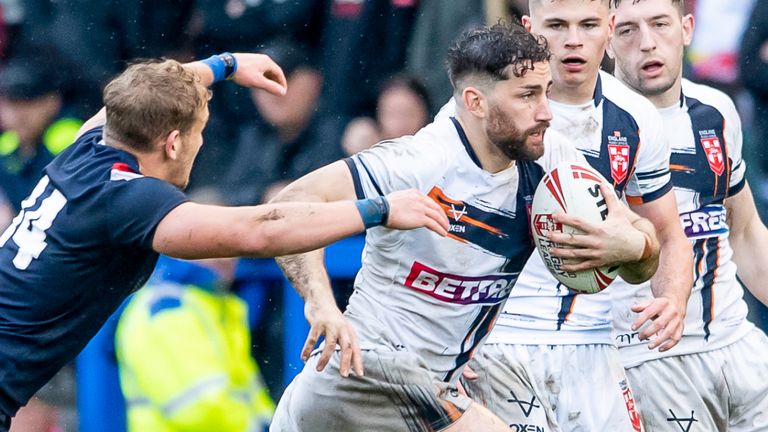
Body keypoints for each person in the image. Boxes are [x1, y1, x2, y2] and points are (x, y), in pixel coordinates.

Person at [0, 52, 449, 430]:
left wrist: (226, 64)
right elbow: (260, 230)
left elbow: (141, 92)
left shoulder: (89, 147)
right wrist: (380, 209)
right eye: (199, 132)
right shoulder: (130, 199)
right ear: (174, 142)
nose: (200, 144)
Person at [269, 21, 659, 432]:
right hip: (364, 372)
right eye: (527, 96)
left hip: (430, 387)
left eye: (546, 92)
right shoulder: (420, 161)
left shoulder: (550, 158)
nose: (546, 111)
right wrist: (320, 302)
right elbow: (290, 204)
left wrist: (632, 246)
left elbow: (643, 243)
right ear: (475, 102)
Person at [459, 1, 693, 431]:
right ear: (530, 30)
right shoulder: (486, 110)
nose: (572, 40)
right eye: (557, 25)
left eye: (587, 25)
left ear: (610, 27)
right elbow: (438, 228)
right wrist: (451, 339)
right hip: (501, 344)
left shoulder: (636, 117)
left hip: (593, 345)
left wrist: (673, 300)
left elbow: (667, 234)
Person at [609, 0, 768, 430]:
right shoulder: (593, 124)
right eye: (627, 30)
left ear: (687, 28)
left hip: (739, 344)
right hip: (650, 360)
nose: (646, 43)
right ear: (606, 38)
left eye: (660, 24)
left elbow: (746, 231)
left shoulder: (716, 110)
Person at [116, 256, 275, 432]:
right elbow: (198, 408)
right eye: (215, 243)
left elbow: (249, 393)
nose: (229, 257)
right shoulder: (170, 310)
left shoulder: (214, 305)